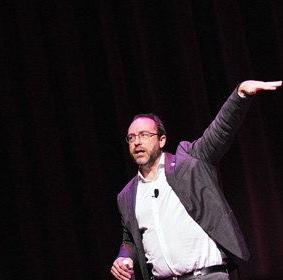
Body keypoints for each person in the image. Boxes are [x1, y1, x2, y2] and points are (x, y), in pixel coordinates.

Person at [111, 80, 282, 280]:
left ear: (162, 140)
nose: (137, 142)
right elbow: (130, 239)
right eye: (131, 138)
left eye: (144, 135)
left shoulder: (189, 162)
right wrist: (124, 257)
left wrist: (240, 95)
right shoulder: (127, 195)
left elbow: (219, 132)